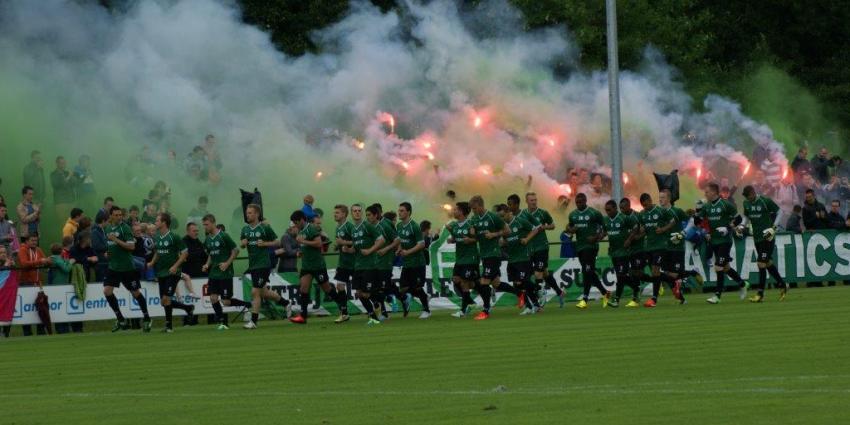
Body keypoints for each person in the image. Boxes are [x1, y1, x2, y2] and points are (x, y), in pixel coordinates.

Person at [289, 210, 349, 325]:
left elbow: (318, 244)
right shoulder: (300, 230)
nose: (295, 225)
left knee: (326, 289)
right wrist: (300, 251)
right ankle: (303, 316)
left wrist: (304, 241)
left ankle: (343, 307)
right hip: (307, 265)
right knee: (303, 289)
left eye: (296, 222)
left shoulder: (311, 228)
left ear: (302, 220)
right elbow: (304, 246)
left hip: (317, 265)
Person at [239, 204, 291, 329]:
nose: (248, 215)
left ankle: (254, 321)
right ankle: (286, 303)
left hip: (263, 264)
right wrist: (243, 244)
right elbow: (241, 244)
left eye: (250, 213)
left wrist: (265, 243)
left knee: (255, 291)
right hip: (253, 264)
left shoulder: (264, 228)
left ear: (257, 214)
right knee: (264, 292)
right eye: (247, 213)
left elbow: (278, 242)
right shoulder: (245, 230)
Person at [102, 206, 152, 332]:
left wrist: (116, 240)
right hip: (114, 267)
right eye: (116, 215)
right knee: (107, 291)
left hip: (127, 267)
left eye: (120, 215)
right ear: (111, 216)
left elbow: (131, 247)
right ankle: (121, 319)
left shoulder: (125, 228)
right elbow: (110, 246)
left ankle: (147, 318)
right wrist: (107, 253)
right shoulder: (107, 228)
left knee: (135, 293)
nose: (119, 217)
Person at [700, 183, 750, 304]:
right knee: (726, 267)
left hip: (725, 241)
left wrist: (727, 228)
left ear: (714, 192)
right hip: (714, 241)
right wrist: (697, 212)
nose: (705, 194)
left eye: (707, 192)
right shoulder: (706, 206)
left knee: (718, 267)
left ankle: (717, 296)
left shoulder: (726, 204)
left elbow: (738, 219)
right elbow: (698, 222)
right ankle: (743, 284)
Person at [737, 186, 789, 302]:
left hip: (767, 237)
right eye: (746, 196)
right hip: (757, 238)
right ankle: (782, 284)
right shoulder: (746, 203)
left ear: (753, 192)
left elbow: (780, 211)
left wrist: (773, 228)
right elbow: (746, 217)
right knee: (768, 263)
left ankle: (760, 294)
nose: (748, 198)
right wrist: (742, 225)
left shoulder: (765, 201)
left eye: (749, 195)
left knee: (761, 263)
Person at [146, 213, 195, 332]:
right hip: (161, 272)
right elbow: (158, 251)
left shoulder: (174, 236)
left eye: (157, 220)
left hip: (173, 272)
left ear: (164, 223)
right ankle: (187, 308)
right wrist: (152, 263)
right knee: (164, 301)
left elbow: (185, 252)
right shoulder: (157, 236)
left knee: (166, 299)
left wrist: (175, 266)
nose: (155, 222)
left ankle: (169, 327)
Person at [201, 214, 252, 330]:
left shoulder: (224, 236)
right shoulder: (208, 239)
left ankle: (247, 305)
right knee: (213, 298)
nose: (205, 227)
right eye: (204, 225)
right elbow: (210, 254)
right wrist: (207, 264)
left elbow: (236, 250)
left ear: (213, 223)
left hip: (225, 273)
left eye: (207, 224)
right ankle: (222, 322)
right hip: (213, 273)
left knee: (226, 301)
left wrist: (227, 263)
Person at [468, 195, 511, 320]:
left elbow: (507, 231)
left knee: (484, 282)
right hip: (484, 255)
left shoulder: (493, 217)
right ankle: (520, 294)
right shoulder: (474, 219)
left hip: (493, 254)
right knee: (496, 283)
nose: (473, 211)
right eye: (472, 209)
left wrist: (494, 234)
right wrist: (472, 233)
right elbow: (476, 237)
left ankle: (486, 310)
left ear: (481, 206)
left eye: (475, 208)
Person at [496, 203, 542, 315]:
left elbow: (536, 229)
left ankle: (538, 290)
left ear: (508, 212)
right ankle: (532, 306)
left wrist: (527, 239)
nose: (501, 219)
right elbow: (507, 240)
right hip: (511, 259)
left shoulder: (520, 221)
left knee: (523, 282)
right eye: (500, 217)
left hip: (523, 257)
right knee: (518, 285)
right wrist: (503, 242)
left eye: (503, 216)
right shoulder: (504, 226)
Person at [565, 193, 609, 308]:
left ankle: (585, 299)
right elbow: (568, 228)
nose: (579, 204)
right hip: (579, 247)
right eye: (577, 202)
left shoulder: (594, 213)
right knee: (589, 272)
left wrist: (596, 238)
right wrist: (571, 229)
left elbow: (605, 229)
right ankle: (605, 292)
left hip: (591, 247)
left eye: (581, 202)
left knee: (586, 271)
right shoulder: (573, 215)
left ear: (585, 201)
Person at [638, 193, 681, 307]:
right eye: (643, 205)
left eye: (646, 204)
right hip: (648, 247)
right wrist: (640, 233)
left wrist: (663, 229)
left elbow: (673, 222)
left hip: (661, 246)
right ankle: (673, 282)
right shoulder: (642, 214)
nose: (645, 207)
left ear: (650, 200)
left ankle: (654, 299)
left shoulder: (661, 211)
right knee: (654, 273)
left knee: (656, 270)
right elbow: (643, 229)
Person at [522, 192, 564, 307]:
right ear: (526, 201)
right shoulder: (523, 214)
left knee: (537, 273)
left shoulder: (542, 213)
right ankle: (559, 292)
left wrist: (543, 227)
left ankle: (541, 296)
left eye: (535, 200)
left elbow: (553, 225)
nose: (534, 202)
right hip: (530, 248)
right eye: (531, 200)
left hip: (542, 246)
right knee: (544, 272)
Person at [395, 202, 432, 319]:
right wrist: (399, 249)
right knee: (403, 288)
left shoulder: (414, 226)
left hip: (417, 262)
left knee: (416, 287)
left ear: (408, 212)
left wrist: (408, 252)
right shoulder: (399, 226)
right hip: (407, 263)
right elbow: (401, 240)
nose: (399, 213)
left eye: (402, 210)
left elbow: (421, 244)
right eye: (399, 210)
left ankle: (426, 310)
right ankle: (425, 297)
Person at [601, 199, 641, 308]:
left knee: (620, 276)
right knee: (622, 276)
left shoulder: (623, 218)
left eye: (609, 210)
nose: (607, 212)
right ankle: (636, 288)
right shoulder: (606, 220)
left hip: (624, 252)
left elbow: (636, 227)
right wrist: (600, 236)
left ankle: (616, 300)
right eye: (606, 210)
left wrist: (629, 239)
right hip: (614, 252)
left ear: (615, 208)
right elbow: (604, 231)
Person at [351, 204, 385, 325]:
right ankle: (374, 313)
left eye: (359, 211)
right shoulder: (353, 229)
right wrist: (348, 249)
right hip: (358, 266)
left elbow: (381, 240)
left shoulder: (368, 226)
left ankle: (376, 311)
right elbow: (357, 248)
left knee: (366, 293)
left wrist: (370, 250)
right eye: (354, 211)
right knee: (359, 293)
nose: (357, 213)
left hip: (370, 265)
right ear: (351, 213)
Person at [446, 202, 480, 318]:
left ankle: (463, 310)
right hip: (459, 259)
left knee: (465, 284)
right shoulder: (455, 225)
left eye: (456, 210)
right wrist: (452, 239)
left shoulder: (470, 224)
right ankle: (474, 298)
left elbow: (477, 238)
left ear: (461, 212)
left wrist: (470, 240)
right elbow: (457, 238)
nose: (454, 211)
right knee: (456, 280)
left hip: (470, 258)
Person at [17, 234, 51, 336]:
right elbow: (23, 264)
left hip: (37, 283)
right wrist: (40, 261)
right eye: (32, 241)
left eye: (36, 241)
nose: (34, 243)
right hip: (25, 283)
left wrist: (47, 262)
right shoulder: (22, 250)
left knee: (40, 307)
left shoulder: (38, 250)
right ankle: (27, 332)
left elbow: (44, 260)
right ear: (26, 241)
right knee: (26, 308)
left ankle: (40, 330)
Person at [373, 205, 398, 319]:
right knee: (380, 286)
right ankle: (400, 297)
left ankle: (385, 310)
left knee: (382, 287)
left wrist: (387, 249)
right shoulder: (370, 226)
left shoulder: (386, 225)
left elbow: (397, 239)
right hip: (375, 261)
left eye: (371, 214)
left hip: (386, 260)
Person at [331, 204, 355, 309]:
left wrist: (344, 242)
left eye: (337, 212)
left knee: (363, 291)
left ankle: (379, 306)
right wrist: (337, 246)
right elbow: (340, 242)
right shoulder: (337, 228)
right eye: (334, 212)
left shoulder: (350, 226)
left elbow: (358, 241)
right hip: (343, 263)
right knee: (339, 286)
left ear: (344, 214)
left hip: (354, 263)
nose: (334, 214)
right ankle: (344, 312)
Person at [50, 156, 76, 224]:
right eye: (61, 163)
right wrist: (68, 177)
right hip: (60, 202)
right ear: (57, 164)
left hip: (70, 201)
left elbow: (74, 184)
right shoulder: (53, 174)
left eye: (64, 163)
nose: (63, 164)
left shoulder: (67, 173)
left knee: (72, 223)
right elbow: (58, 185)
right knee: (63, 224)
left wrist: (72, 176)